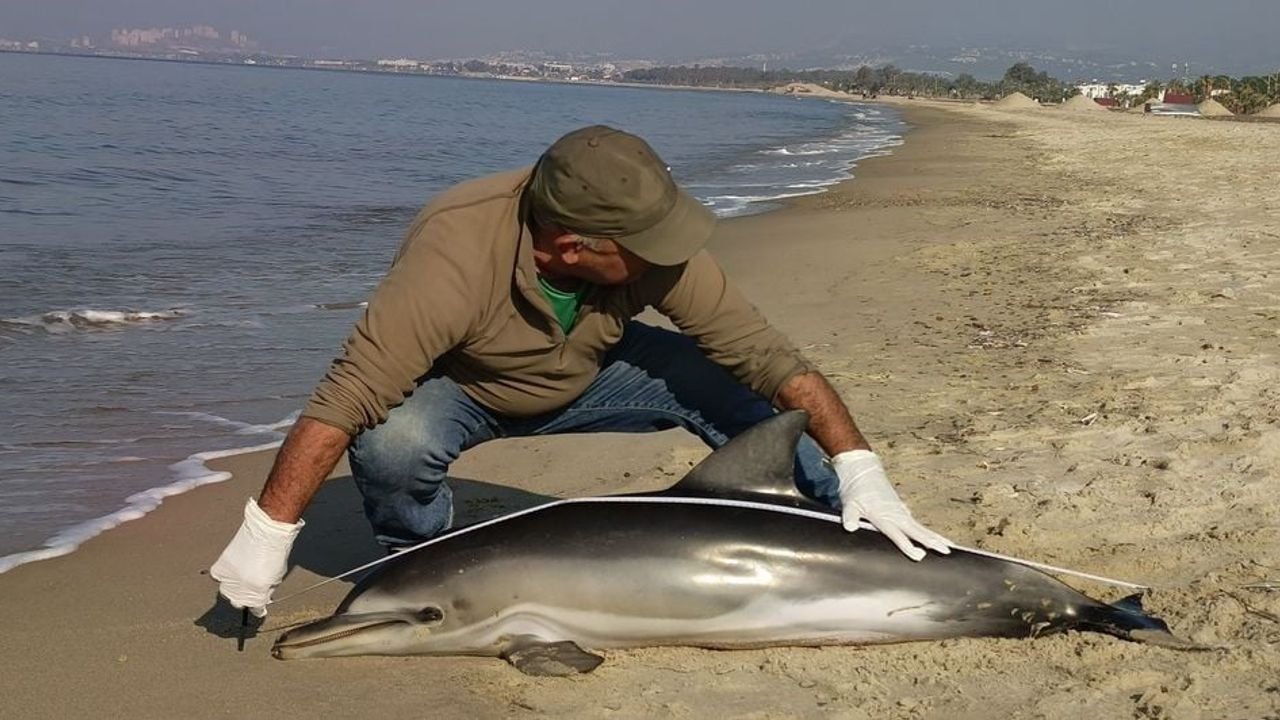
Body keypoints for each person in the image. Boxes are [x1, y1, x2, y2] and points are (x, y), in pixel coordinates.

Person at [212, 125, 951, 617]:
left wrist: (860, 467)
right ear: (569, 246)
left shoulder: (652, 250)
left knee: (739, 388)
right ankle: (430, 564)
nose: (667, 254)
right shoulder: (453, 254)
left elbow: (766, 355)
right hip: (467, 388)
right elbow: (347, 395)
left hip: (600, 372)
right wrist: (268, 531)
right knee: (391, 442)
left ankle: (849, 524)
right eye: (645, 244)